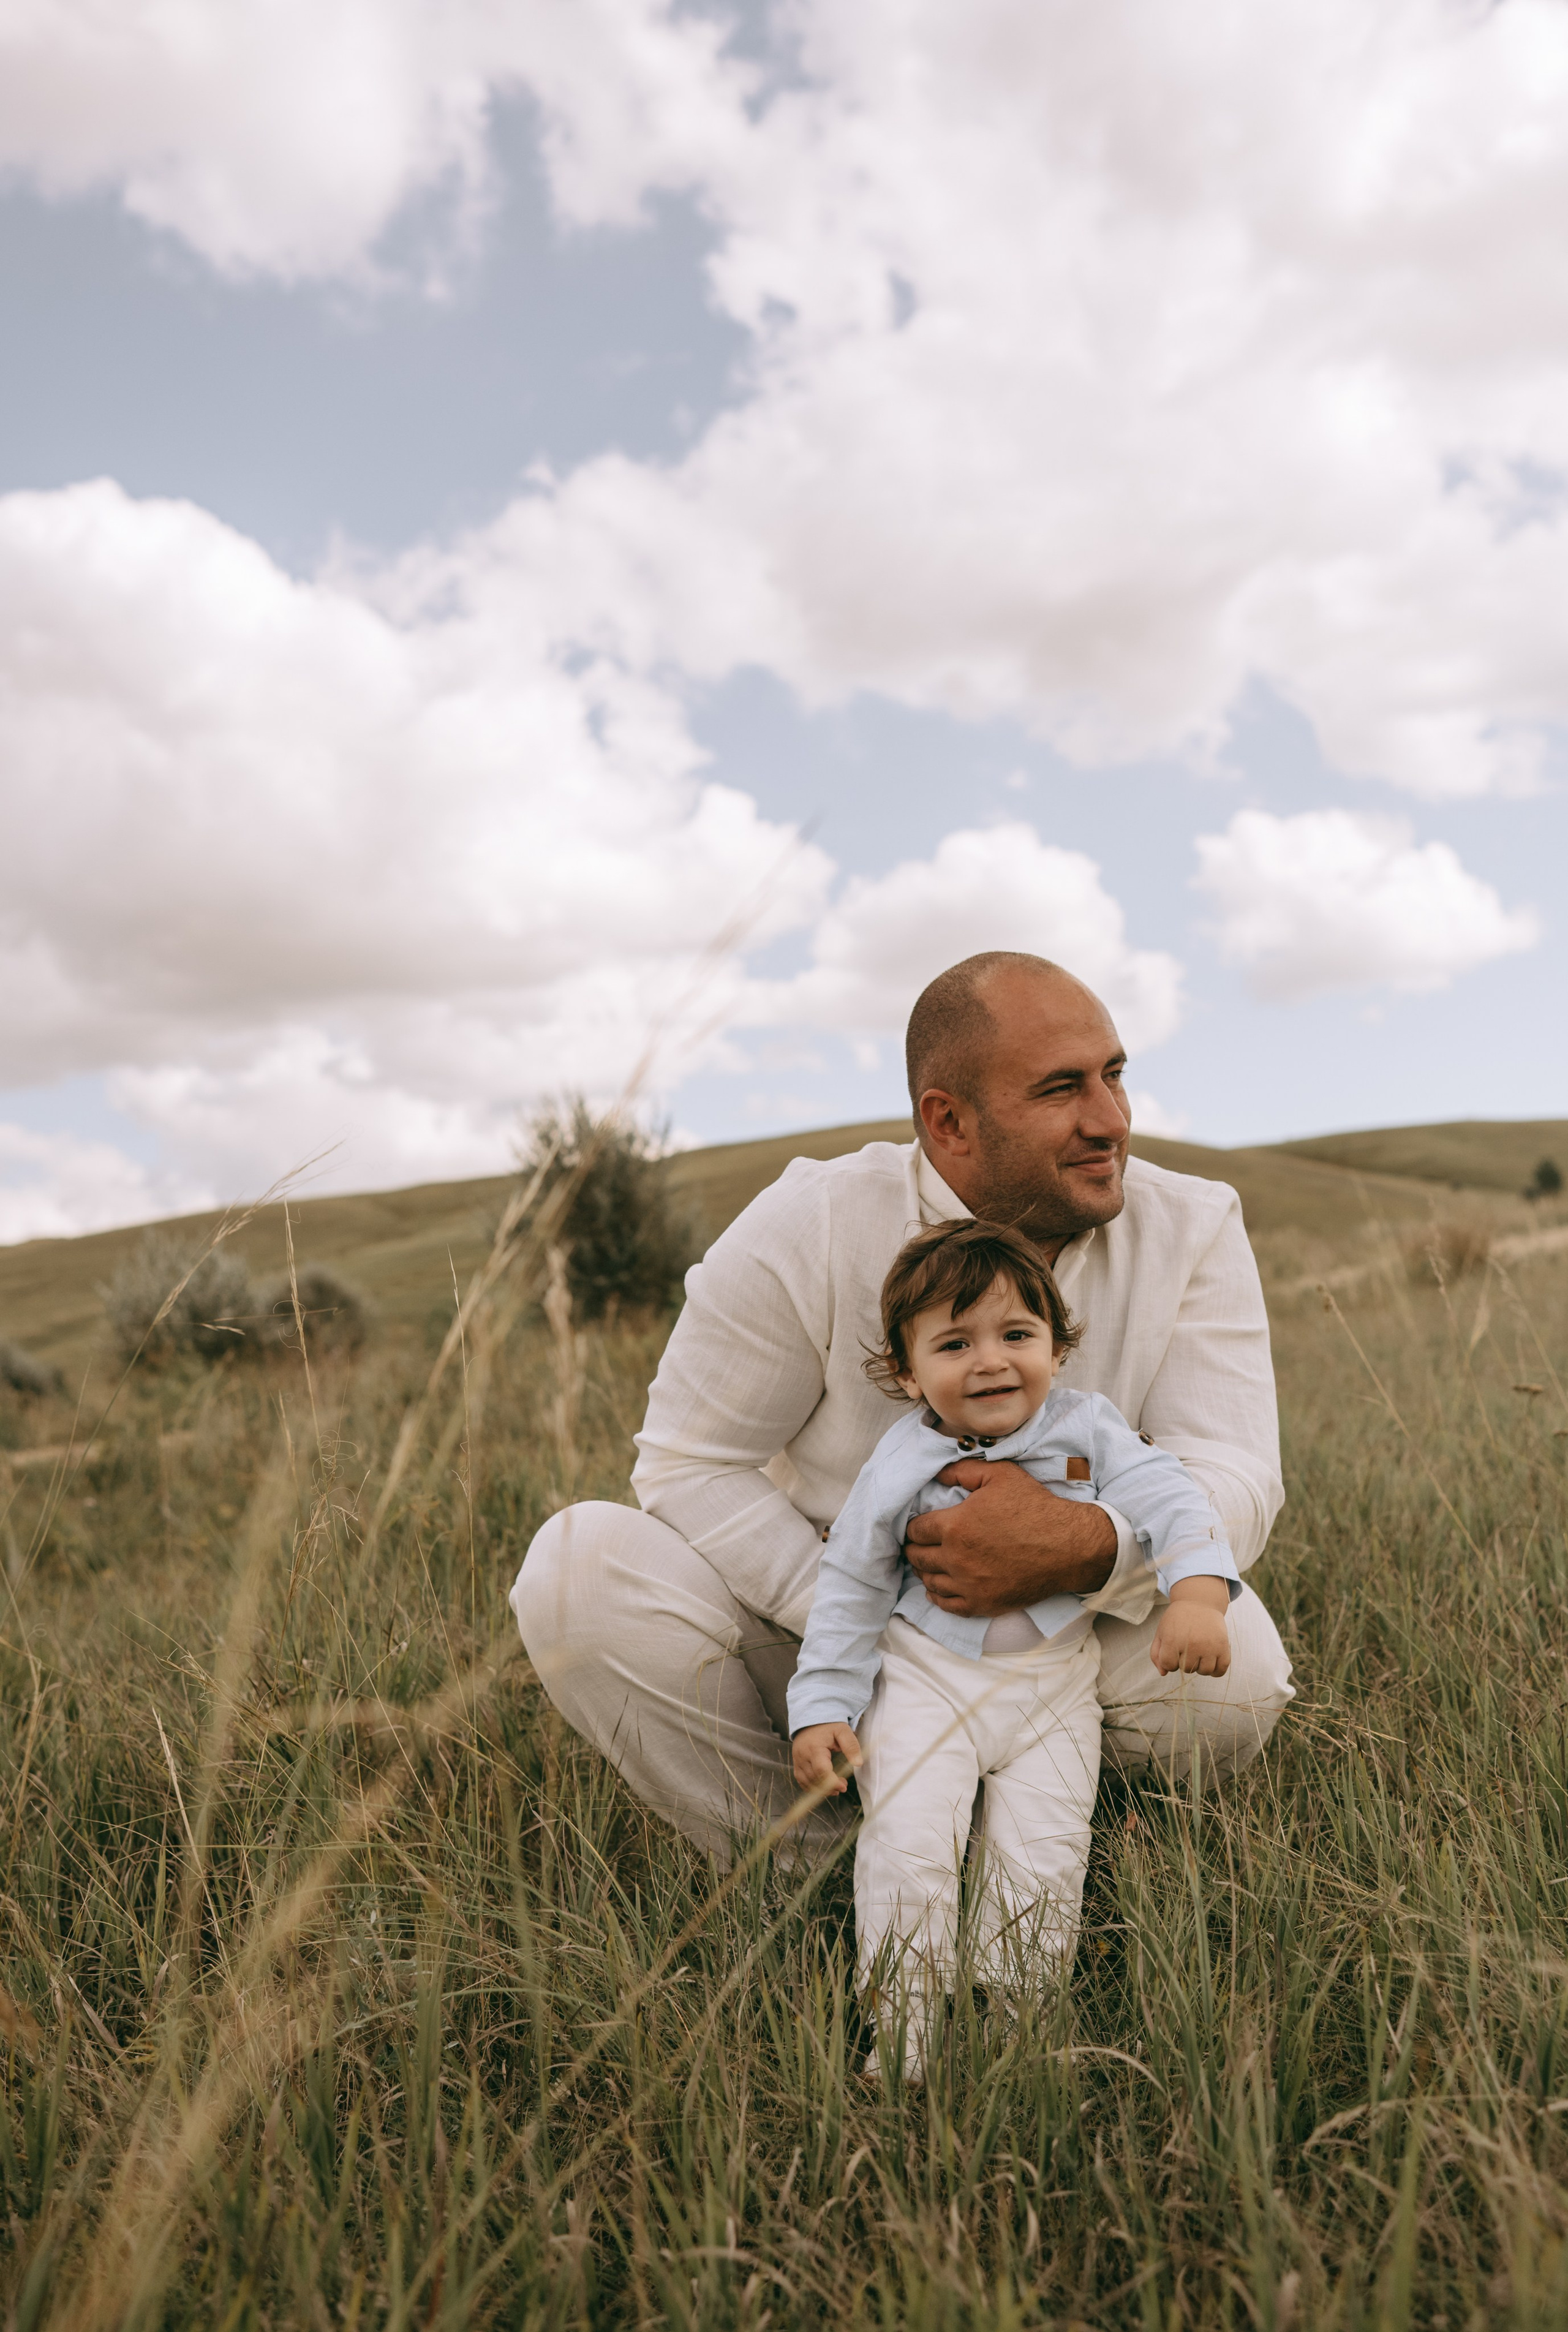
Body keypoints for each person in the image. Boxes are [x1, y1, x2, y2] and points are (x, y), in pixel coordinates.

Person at [511, 950, 1293, 1862]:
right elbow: (691, 1462)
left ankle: (1038, 1842)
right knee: (577, 1568)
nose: (1111, 1120)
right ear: (948, 1121)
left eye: (1115, 1076)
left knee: (1239, 1677)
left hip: (1059, 1636)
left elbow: (1233, 1471)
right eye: (1061, 1090)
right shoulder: (810, 1222)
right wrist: (874, 1618)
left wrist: (1083, 1546)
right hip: (824, 1631)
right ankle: (808, 1870)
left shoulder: (1192, 1226)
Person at [788, 1217, 1238, 2070]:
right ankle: (906, 2038)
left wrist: (1200, 1595)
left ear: (1058, 1348)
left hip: (1053, 1687)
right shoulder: (897, 1462)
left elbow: (1172, 1496)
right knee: (911, 1847)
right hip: (927, 1681)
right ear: (906, 1368)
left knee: (1042, 1861)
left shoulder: (1090, 1429)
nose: (991, 1360)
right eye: (955, 1343)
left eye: (1017, 1335)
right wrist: (821, 1710)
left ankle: (1014, 2037)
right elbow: (850, 1587)